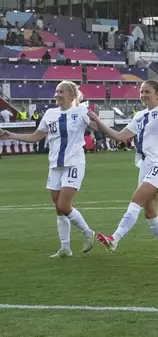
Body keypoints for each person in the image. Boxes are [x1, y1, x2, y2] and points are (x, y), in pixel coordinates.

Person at [90, 74, 158, 259]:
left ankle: (115, 238)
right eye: (141, 91)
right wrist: (98, 122)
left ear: (157, 94)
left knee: (136, 199)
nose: (143, 94)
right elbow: (121, 136)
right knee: (150, 212)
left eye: (147, 92)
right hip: (145, 164)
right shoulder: (140, 115)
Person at [0, 81, 96, 257]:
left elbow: (98, 127)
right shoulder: (50, 114)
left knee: (64, 205)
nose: (57, 95)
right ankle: (65, 248)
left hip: (73, 163)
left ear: (72, 95)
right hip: (54, 165)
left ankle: (88, 232)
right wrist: (12, 135)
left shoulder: (81, 111)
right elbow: (37, 136)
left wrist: (97, 121)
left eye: (61, 92)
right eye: (56, 91)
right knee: (59, 209)